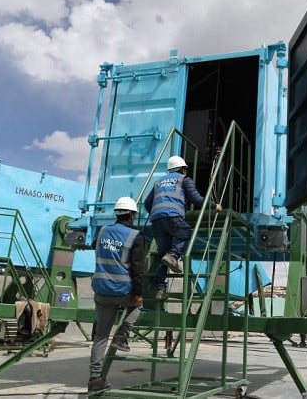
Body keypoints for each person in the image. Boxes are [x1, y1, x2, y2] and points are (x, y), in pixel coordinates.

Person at [88, 196, 146, 394]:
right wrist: (139, 294)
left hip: (101, 290)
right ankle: (123, 334)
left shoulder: (102, 231)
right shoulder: (135, 236)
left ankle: (95, 379)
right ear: (131, 215)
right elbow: (138, 269)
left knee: (101, 336)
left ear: (117, 213)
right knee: (138, 306)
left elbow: (94, 247)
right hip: (122, 290)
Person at [144, 155, 222, 301]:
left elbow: (147, 203)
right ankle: (174, 255)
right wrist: (214, 206)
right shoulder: (184, 180)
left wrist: (157, 213)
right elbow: (196, 199)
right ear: (183, 170)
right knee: (188, 236)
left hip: (156, 221)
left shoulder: (158, 182)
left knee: (162, 255)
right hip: (173, 217)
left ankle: (160, 289)